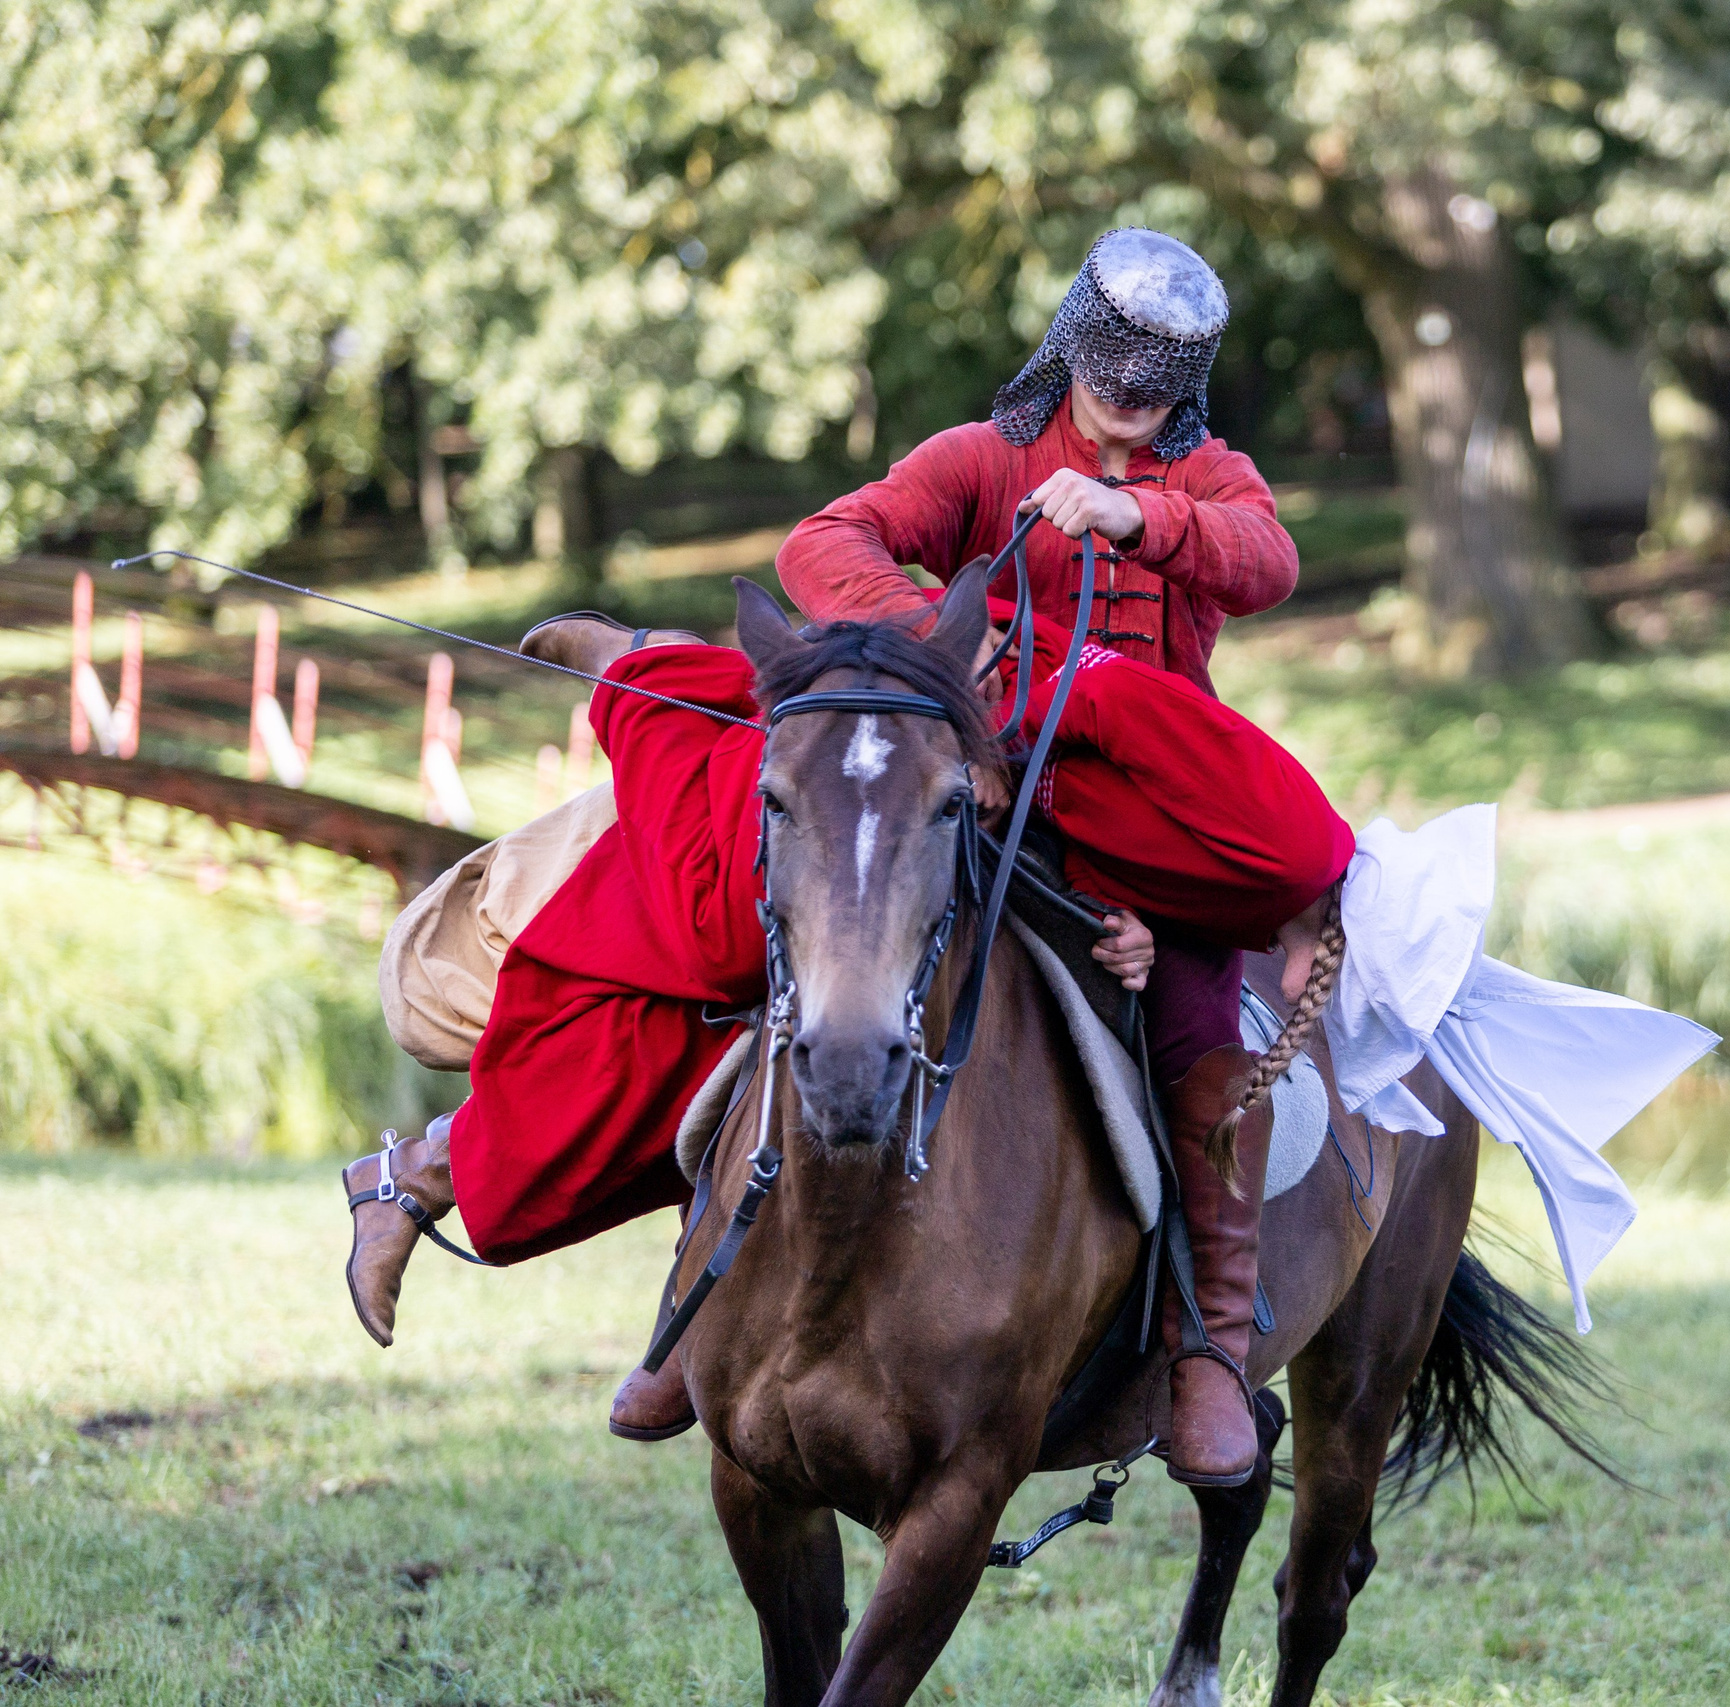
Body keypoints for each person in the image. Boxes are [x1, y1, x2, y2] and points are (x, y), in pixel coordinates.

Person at [346, 228, 1353, 1488]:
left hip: (1134, 818)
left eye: (1161, 372)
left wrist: (1138, 513)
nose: (1132, 391)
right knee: (755, 958)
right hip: (964, 786)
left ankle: (1203, 1340)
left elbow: (1268, 561)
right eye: (1116, 360)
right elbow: (824, 548)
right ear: (1075, 341)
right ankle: (674, 1287)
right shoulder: (982, 459)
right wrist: (943, 655)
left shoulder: (1211, 478)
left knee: (1203, 1034)